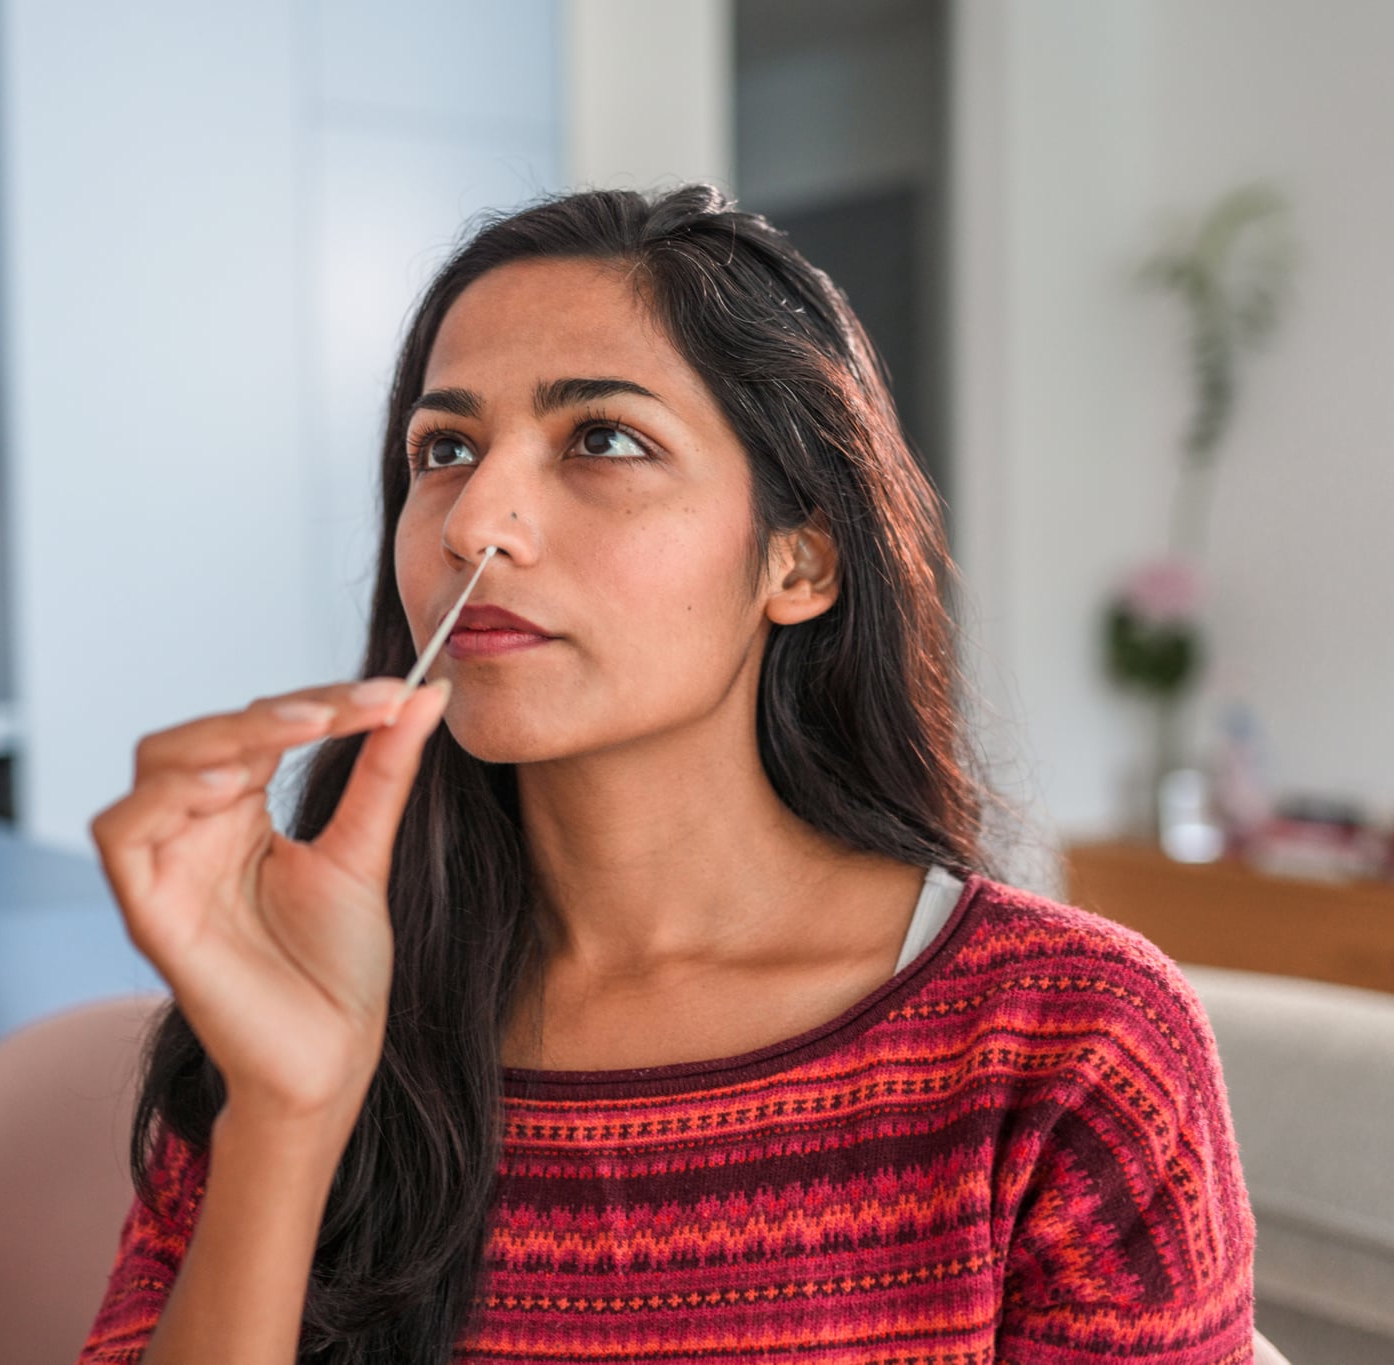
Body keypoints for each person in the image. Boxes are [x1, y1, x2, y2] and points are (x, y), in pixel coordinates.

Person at [80, 185, 1257, 1364]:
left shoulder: (1068, 1043)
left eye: (601, 439)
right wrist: (284, 1121)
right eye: (444, 450)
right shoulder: (304, 990)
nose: (472, 522)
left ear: (796, 562)